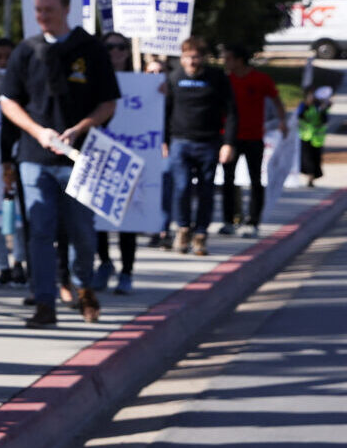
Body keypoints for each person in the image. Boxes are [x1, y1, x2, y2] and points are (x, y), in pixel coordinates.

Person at [0, 0, 119, 328]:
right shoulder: (26, 50)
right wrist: (38, 132)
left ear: (67, 9)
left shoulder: (90, 49)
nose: (42, 16)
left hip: (81, 159)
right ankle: (44, 302)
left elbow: (109, 102)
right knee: (39, 232)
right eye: (38, 10)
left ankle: (83, 287)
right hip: (35, 159)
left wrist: (80, 128)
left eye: (48, 10)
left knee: (82, 232)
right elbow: (9, 102)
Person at [159, 37, 234, 256]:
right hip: (180, 142)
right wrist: (164, 140)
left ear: (203, 57)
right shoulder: (173, 79)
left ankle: (201, 235)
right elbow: (165, 112)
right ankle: (183, 229)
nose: (191, 61)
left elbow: (230, 113)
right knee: (181, 188)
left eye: (195, 57)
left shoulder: (217, 78)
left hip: (209, 143)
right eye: (187, 57)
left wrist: (228, 143)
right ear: (181, 58)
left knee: (206, 191)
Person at [96, 34, 143, 294]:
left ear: (128, 52)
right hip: (102, 155)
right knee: (98, 215)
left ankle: (126, 271)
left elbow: (161, 115)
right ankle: (104, 262)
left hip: (134, 154)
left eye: (120, 47)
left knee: (128, 219)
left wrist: (162, 92)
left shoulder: (144, 83)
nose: (115, 52)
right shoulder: (95, 79)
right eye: (109, 47)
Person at [221, 48, 279, 235]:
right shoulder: (225, 80)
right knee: (228, 180)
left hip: (254, 137)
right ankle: (229, 220)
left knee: (255, 180)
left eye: (229, 58)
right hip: (230, 139)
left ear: (239, 60)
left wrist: (284, 120)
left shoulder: (260, 79)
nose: (225, 61)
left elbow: (276, 99)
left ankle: (253, 222)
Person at [0, 38, 28, 285]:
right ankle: (2, 266)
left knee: (19, 215)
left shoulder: (21, 85)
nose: (3, 63)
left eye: (7, 57)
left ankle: (19, 263)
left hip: (14, 155)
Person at [301, 87, 333, 184]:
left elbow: (324, 119)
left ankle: (313, 176)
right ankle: (310, 176)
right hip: (305, 136)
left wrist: (324, 108)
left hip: (317, 138)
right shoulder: (304, 106)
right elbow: (299, 117)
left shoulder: (320, 107)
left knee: (316, 158)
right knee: (307, 157)